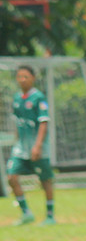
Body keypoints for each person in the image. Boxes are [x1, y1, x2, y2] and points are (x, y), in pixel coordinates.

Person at [7, 65, 55, 225]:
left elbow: (43, 123)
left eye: (25, 76)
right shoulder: (16, 98)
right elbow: (17, 122)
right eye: (19, 76)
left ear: (33, 78)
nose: (22, 79)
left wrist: (38, 145)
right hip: (21, 147)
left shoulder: (38, 98)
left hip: (38, 147)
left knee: (45, 180)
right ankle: (26, 213)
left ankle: (50, 216)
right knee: (12, 177)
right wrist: (16, 139)